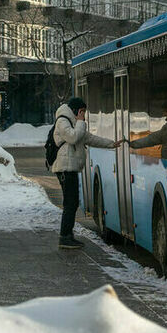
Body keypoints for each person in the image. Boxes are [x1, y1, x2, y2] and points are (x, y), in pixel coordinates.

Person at [52, 97, 122, 249]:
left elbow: (89, 138)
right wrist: (80, 121)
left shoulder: (75, 123)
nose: (84, 115)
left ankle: (67, 235)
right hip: (65, 168)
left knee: (72, 202)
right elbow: (73, 137)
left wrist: (111, 144)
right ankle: (64, 237)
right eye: (82, 111)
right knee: (70, 203)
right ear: (76, 110)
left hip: (71, 167)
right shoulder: (63, 120)